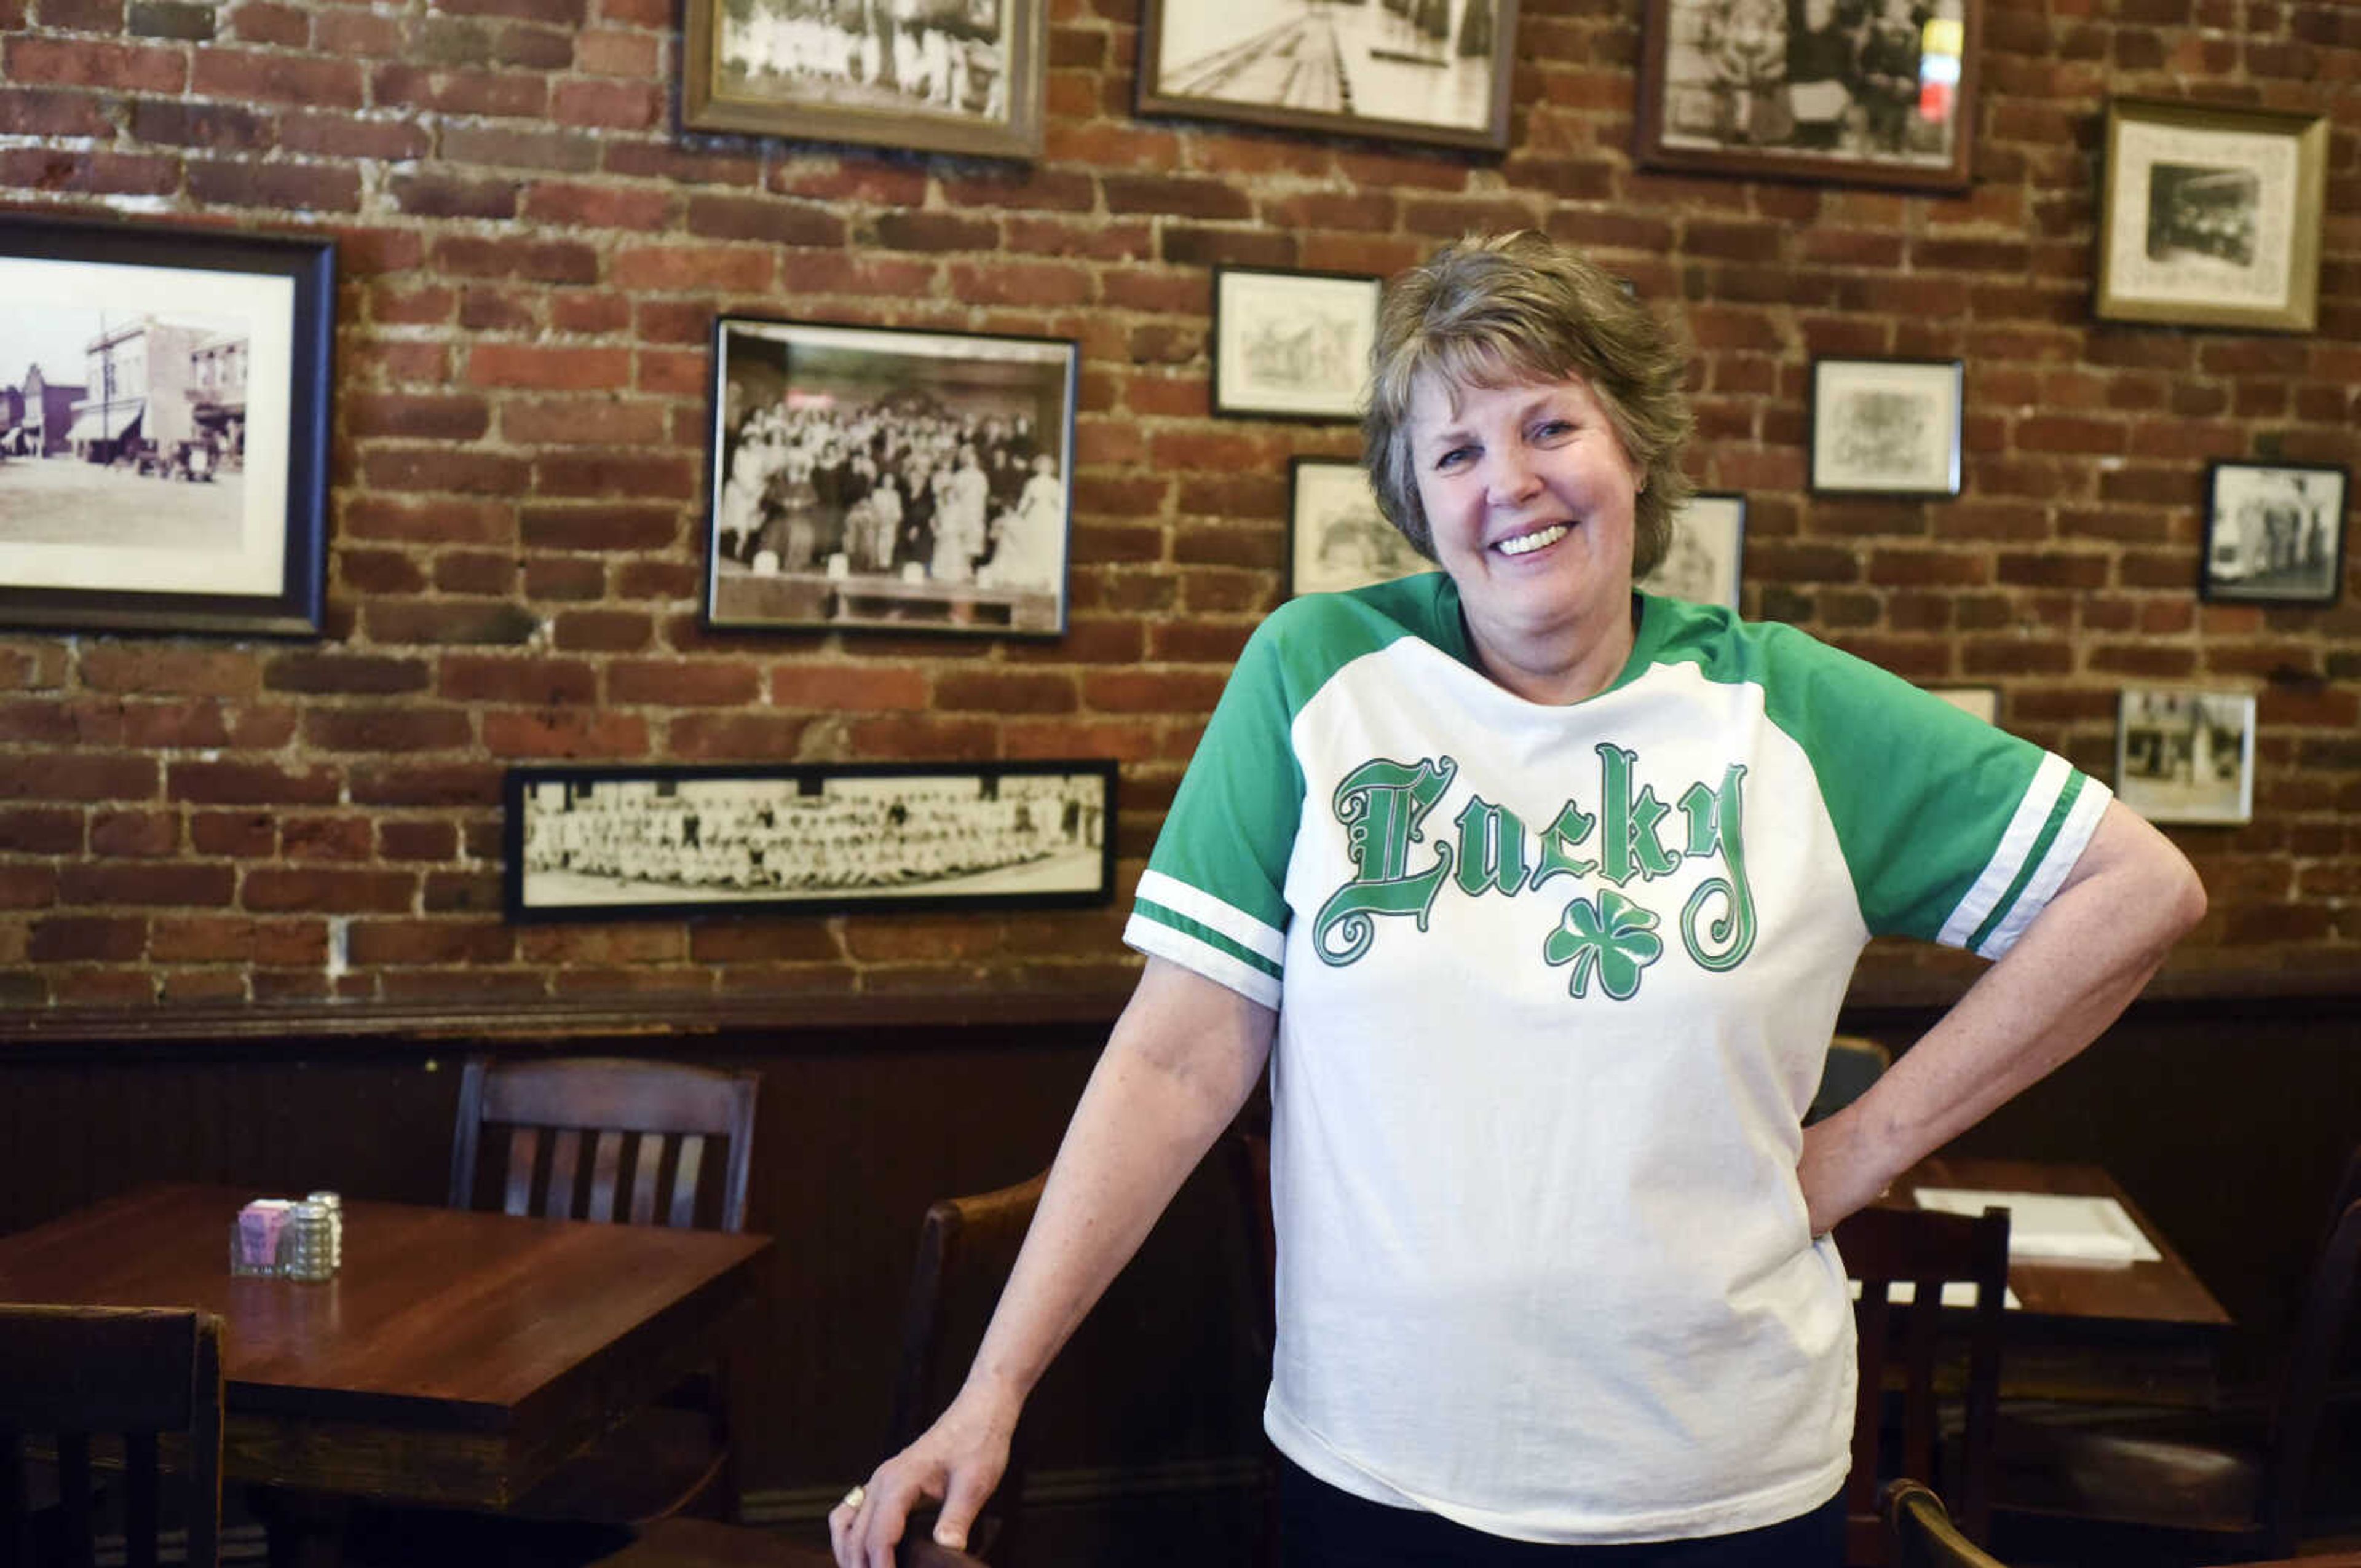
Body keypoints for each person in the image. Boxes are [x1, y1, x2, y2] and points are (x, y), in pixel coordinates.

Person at [829, 232, 2207, 1568]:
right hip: (1374, 1470)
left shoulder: (1785, 708)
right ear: (1418, 502)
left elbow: (2137, 888)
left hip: (1716, 1486)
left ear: (1634, 450)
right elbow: (1178, 1057)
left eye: (1551, 426)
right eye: (1457, 450)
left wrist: (1858, 1148)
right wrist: (991, 1390)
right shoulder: (1317, 678)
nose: (1512, 481)